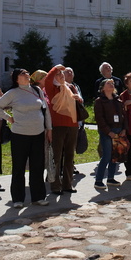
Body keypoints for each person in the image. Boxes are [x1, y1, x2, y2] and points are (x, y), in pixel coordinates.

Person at [0, 68, 53, 208]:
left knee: (37, 167)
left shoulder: (36, 91)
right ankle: (18, 199)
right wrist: (8, 118)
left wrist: (49, 129)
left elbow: (46, 111)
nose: (26, 75)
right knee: (18, 167)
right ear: (16, 79)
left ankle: (38, 197)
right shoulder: (13, 93)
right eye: (23, 73)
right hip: (20, 135)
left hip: (38, 134)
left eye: (27, 72)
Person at [44, 64, 80, 195]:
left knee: (70, 156)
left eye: (62, 74)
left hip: (73, 125)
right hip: (58, 126)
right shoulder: (52, 88)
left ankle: (67, 184)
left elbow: (79, 102)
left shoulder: (71, 87)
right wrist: (55, 68)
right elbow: (47, 79)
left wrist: (79, 99)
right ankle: (55, 186)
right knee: (56, 157)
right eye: (58, 75)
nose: (61, 76)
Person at [93, 78, 125, 189]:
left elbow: (123, 115)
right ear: (102, 88)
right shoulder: (99, 101)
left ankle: (111, 178)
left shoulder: (118, 100)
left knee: (115, 156)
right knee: (106, 156)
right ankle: (98, 180)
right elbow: (99, 119)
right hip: (107, 132)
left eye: (112, 83)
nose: (111, 85)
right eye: (108, 83)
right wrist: (108, 131)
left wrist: (124, 128)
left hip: (118, 130)